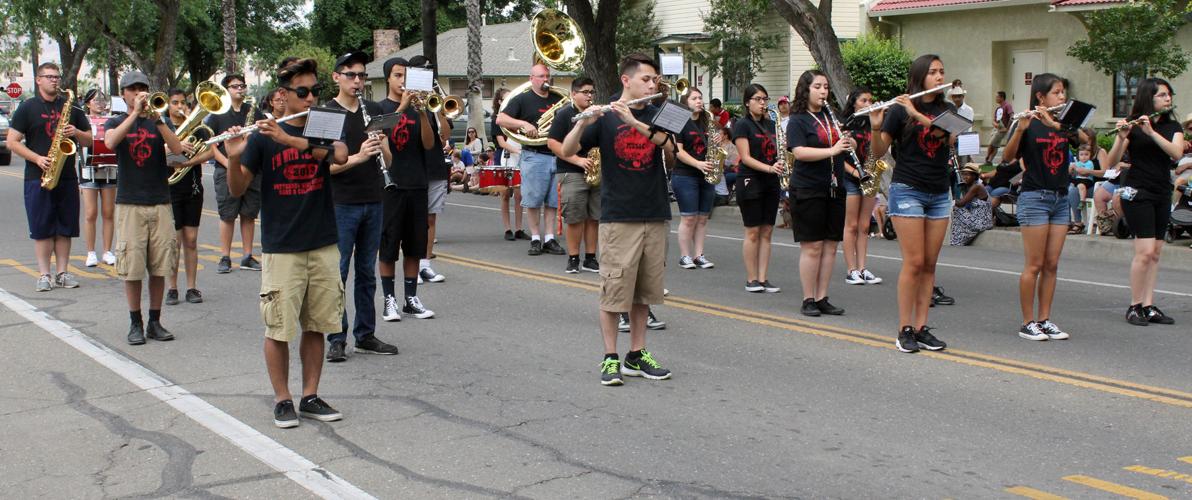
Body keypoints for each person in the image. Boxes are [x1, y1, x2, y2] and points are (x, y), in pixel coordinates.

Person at [223, 57, 348, 428]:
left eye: (314, 90)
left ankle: (310, 395)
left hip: (322, 241)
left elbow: (338, 154)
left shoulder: (322, 123)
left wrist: (291, 139)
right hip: (281, 245)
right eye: (302, 91)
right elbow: (237, 188)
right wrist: (232, 158)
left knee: (317, 325)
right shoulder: (261, 137)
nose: (311, 97)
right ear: (283, 94)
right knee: (278, 327)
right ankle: (282, 398)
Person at [562, 53, 673, 386]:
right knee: (614, 293)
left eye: (655, 80)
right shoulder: (605, 117)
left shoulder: (658, 113)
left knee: (644, 293)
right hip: (618, 215)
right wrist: (583, 121)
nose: (652, 85)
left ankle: (636, 355)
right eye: (646, 80)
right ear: (627, 81)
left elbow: (670, 149)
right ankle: (610, 357)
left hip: (654, 212)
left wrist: (636, 121)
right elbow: (568, 150)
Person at [867, 54, 954, 353]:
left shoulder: (947, 109)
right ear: (920, 76)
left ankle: (921, 327)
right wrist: (877, 126)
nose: (940, 77)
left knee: (930, 264)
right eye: (933, 72)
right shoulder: (898, 110)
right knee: (915, 262)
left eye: (942, 72)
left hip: (939, 192)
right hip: (908, 190)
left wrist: (914, 112)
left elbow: (949, 137)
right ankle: (905, 328)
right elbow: (879, 152)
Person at [324, 51, 399, 362]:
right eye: (351, 75)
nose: (357, 81)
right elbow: (324, 167)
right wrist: (357, 156)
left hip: (373, 199)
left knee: (367, 272)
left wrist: (380, 142)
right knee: (338, 273)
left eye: (361, 75)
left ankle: (365, 334)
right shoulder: (326, 113)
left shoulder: (373, 110)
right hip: (341, 203)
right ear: (337, 77)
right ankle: (336, 337)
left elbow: (390, 159)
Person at [104, 70, 186, 345]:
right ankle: (135, 321)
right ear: (124, 94)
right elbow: (111, 142)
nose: (137, 92)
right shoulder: (116, 121)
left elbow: (177, 151)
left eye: (142, 88)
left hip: (160, 201)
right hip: (130, 203)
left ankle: (155, 320)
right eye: (132, 89)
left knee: (160, 266)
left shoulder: (158, 121)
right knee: (132, 268)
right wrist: (134, 115)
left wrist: (159, 121)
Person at [999, 73, 1076, 341]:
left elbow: (1083, 140)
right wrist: (1020, 128)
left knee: (1052, 264)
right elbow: (1007, 158)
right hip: (1035, 198)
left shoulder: (1063, 123)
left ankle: (1045, 319)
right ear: (1040, 97)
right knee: (1034, 263)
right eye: (1056, 92)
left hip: (1060, 197)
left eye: (1063, 92)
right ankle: (1028, 321)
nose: (1062, 97)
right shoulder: (1028, 123)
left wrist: (1054, 123)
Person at [1104, 77, 1185, 326]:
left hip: (1161, 191)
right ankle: (1134, 305)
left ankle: (1148, 305)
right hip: (1137, 192)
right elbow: (1110, 162)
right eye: (1162, 95)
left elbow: (1176, 153)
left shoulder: (1173, 127)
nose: (1167, 98)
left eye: (1169, 94)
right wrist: (1121, 137)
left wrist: (1152, 132)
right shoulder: (1134, 126)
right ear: (1148, 98)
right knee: (1145, 251)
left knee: (1156, 253)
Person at [6, 62, 92, 292]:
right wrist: (36, 159)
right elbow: (12, 142)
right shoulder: (27, 107)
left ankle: (63, 272)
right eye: (49, 76)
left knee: (65, 226)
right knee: (42, 227)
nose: (54, 80)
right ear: (38, 80)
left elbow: (90, 140)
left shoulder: (71, 108)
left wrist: (77, 133)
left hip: (66, 176)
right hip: (37, 175)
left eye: (56, 76)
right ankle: (44, 274)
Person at [377, 56, 437, 322]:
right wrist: (402, 107)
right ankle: (389, 299)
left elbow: (428, 144)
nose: (402, 81)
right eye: (398, 76)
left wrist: (422, 111)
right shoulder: (380, 108)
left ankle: (411, 298)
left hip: (417, 183)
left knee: (415, 245)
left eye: (406, 76)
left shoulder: (418, 107)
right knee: (389, 245)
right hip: (391, 186)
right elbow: (381, 139)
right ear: (388, 78)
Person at [786, 70, 851, 316]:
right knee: (812, 246)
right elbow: (800, 152)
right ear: (806, 90)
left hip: (835, 186)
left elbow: (838, 147)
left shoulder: (830, 116)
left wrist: (848, 144)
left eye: (825, 87)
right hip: (808, 187)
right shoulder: (798, 119)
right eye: (818, 87)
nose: (824, 91)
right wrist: (833, 150)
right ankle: (808, 298)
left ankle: (823, 296)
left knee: (831, 246)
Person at [497, 64, 566, 256]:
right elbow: (500, 119)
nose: (545, 80)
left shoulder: (558, 98)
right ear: (532, 78)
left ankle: (549, 238)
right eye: (541, 76)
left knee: (553, 201)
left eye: (547, 76)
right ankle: (536, 238)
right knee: (534, 200)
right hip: (534, 155)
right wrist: (523, 123)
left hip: (557, 154)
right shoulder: (522, 99)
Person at [206, 73, 265, 274]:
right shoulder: (217, 113)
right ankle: (225, 256)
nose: (240, 89)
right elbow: (211, 144)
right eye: (234, 86)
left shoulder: (253, 111)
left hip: (251, 168)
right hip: (226, 169)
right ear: (226, 90)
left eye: (242, 85)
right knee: (228, 215)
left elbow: (263, 133)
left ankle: (247, 256)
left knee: (249, 214)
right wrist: (229, 163)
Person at [163, 88, 213, 306]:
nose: (180, 107)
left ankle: (192, 287)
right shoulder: (162, 127)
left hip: (192, 187)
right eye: (175, 103)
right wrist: (175, 146)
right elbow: (155, 153)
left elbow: (212, 150)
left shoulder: (198, 128)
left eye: (183, 103)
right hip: (169, 189)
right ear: (168, 105)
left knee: (191, 240)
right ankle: (172, 287)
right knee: (173, 242)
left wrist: (189, 162)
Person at [546, 77, 601, 274]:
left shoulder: (597, 114)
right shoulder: (564, 115)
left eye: (591, 92)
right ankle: (573, 258)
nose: (589, 95)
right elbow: (553, 143)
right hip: (571, 171)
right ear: (573, 94)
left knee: (594, 217)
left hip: (595, 170)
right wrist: (577, 160)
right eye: (585, 92)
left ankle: (591, 258)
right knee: (575, 217)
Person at [732, 83, 782, 294]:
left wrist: (780, 164)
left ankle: (763, 278)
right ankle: (751, 279)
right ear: (747, 102)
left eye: (765, 99)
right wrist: (770, 168)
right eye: (758, 99)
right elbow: (746, 158)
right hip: (750, 179)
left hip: (771, 180)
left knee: (767, 231)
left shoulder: (772, 125)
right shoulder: (742, 125)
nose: (763, 103)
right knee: (752, 231)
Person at [408, 55, 450, 283]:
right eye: (422, 70)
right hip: (411, 166)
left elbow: (445, 136)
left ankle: (425, 264)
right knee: (413, 218)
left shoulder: (434, 100)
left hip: (433, 164)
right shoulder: (404, 99)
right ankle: (411, 265)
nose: (427, 74)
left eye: (429, 70)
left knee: (430, 217)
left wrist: (440, 110)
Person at [839, 87, 883, 286]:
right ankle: (851, 269)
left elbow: (878, 151)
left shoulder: (873, 125)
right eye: (864, 100)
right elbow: (838, 155)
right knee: (852, 225)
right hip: (851, 178)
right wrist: (855, 172)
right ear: (854, 103)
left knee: (865, 226)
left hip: (869, 175)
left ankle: (863, 268)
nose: (868, 104)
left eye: (870, 100)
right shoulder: (846, 124)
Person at [672, 87, 717, 270]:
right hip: (685, 175)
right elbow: (678, 152)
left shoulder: (707, 121)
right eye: (694, 98)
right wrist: (698, 164)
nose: (699, 101)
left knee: (702, 218)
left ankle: (699, 255)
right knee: (689, 218)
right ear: (685, 102)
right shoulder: (680, 122)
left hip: (706, 174)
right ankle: (685, 256)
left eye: (700, 98)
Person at [80, 89, 118, 268]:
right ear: (88, 103)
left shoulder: (112, 120)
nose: (99, 103)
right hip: (88, 168)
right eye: (95, 100)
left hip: (109, 168)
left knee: (108, 212)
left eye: (102, 100)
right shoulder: (83, 120)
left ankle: (107, 251)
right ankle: (90, 252)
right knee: (90, 213)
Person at [492, 88, 527, 240]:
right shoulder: (496, 118)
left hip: (519, 155)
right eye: (505, 99)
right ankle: (507, 229)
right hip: (504, 156)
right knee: (505, 194)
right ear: (499, 101)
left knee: (519, 195)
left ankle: (519, 228)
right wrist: (517, 151)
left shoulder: (517, 117)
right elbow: (501, 142)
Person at [949, 164, 992, 246]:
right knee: (956, 211)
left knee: (956, 209)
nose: (965, 177)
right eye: (963, 174)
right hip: (977, 219)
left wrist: (948, 201)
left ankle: (958, 240)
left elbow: (962, 203)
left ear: (974, 176)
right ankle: (959, 239)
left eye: (967, 174)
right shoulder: (969, 186)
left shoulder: (977, 187)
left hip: (981, 222)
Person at [984, 91, 1013, 165]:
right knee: (995, 145)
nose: (996, 98)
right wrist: (994, 124)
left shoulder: (1007, 105)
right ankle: (989, 161)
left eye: (997, 97)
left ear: (1002, 97)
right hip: (996, 128)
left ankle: (987, 157)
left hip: (1002, 129)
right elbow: (994, 119)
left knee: (991, 143)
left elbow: (1012, 116)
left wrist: (1007, 128)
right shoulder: (998, 108)